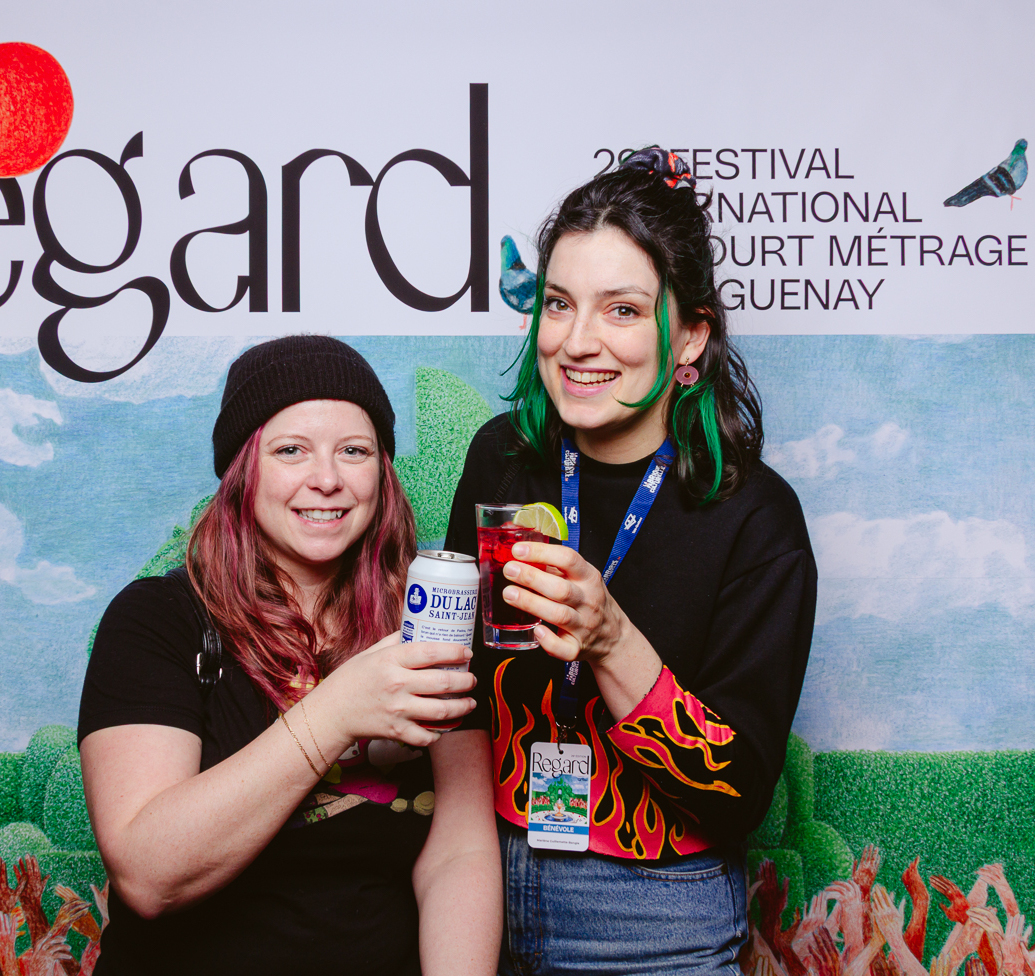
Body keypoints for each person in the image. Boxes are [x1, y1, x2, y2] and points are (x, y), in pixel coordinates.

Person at [444, 148, 817, 975]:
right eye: (559, 304)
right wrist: (463, 865)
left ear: (690, 336)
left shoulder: (757, 520)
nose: (577, 342)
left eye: (622, 310)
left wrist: (611, 639)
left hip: (654, 916)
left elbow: (737, 797)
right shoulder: (501, 460)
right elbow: (460, 693)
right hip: (482, 881)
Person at [78, 336, 501, 975]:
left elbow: (458, 853)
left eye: (353, 451)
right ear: (241, 471)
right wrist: (336, 711)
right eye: (290, 450)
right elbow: (148, 876)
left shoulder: (426, 625)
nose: (326, 479)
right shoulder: (156, 621)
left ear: (382, 474)